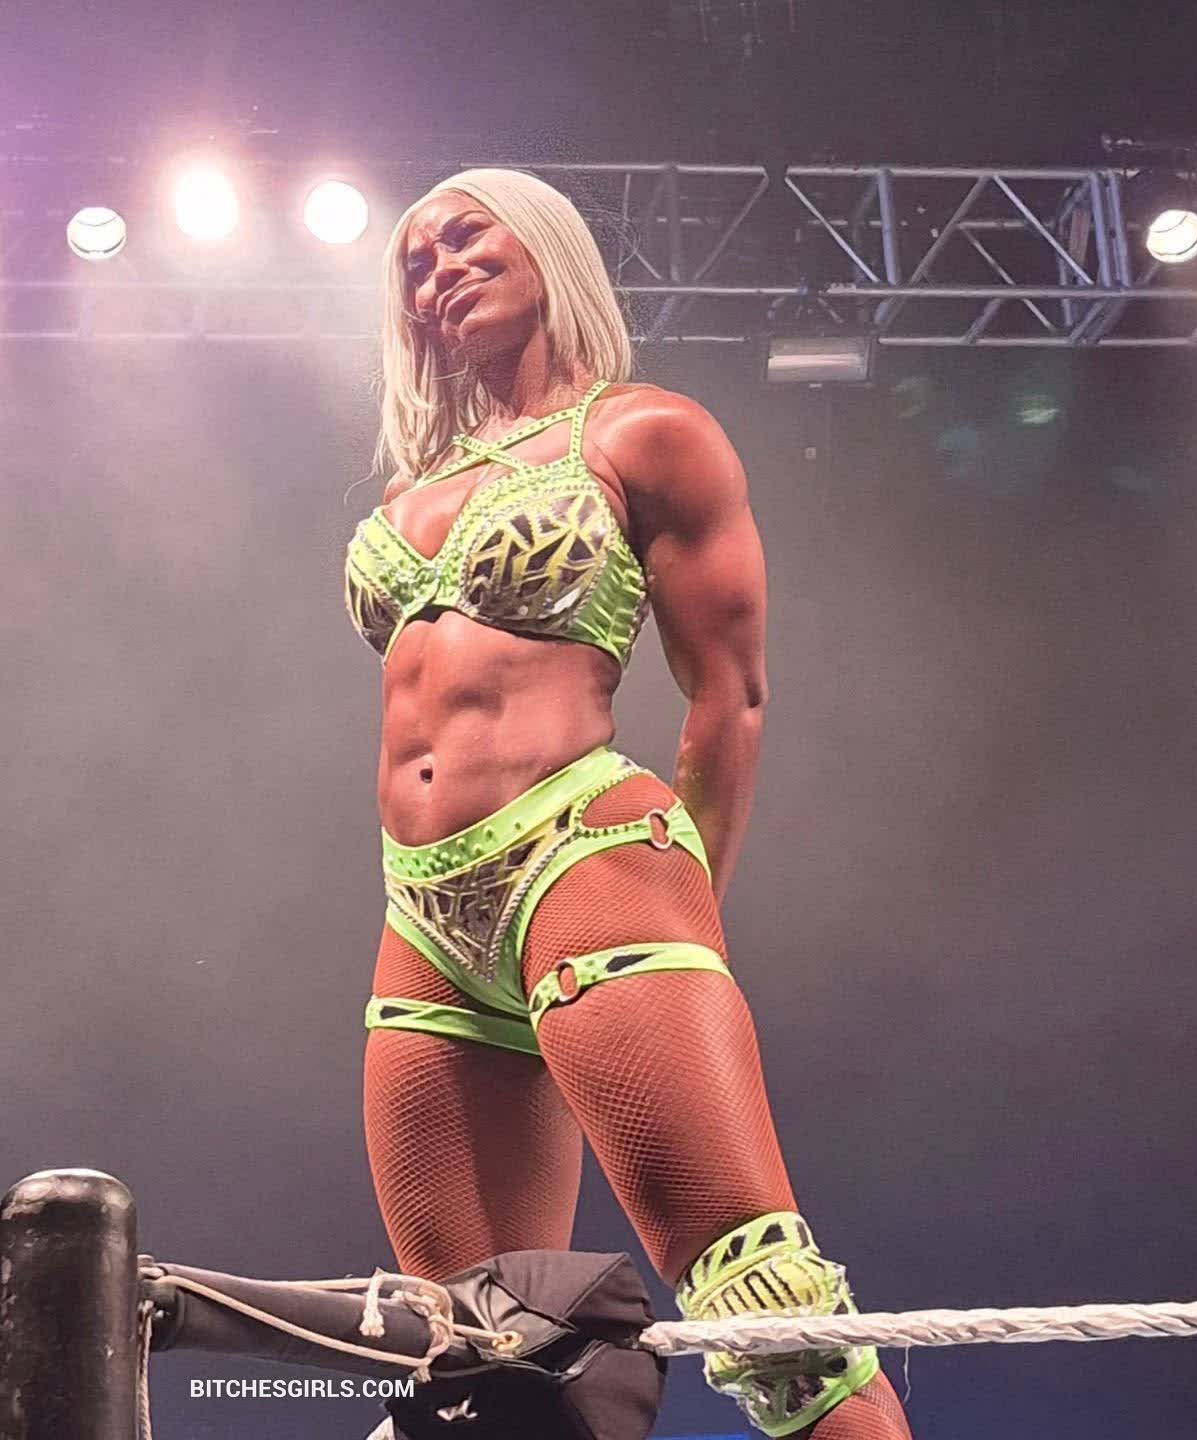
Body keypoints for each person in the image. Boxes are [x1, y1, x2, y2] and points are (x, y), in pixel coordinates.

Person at [345, 167, 910, 1439]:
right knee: (474, 1365)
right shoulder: (406, 490)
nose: (438, 267)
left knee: (768, 1317)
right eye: (415, 260)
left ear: (546, 244)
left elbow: (730, 698)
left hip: (585, 854)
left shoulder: (645, 433)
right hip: (422, 909)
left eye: (466, 234)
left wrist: (678, 898)